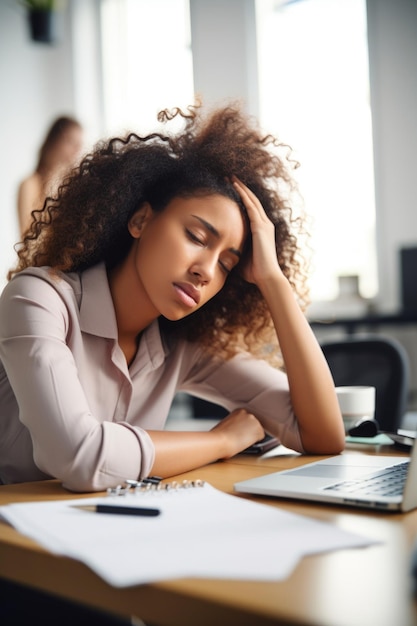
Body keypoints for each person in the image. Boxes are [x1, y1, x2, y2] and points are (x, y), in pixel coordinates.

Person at [0, 103, 345, 493]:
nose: (207, 271)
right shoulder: (38, 300)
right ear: (140, 220)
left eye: (227, 265)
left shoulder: (179, 345)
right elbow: (78, 456)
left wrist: (274, 282)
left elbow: (323, 435)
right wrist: (222, 441)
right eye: (197, 237)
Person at [17, 115, 84, 237]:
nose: (76, 151)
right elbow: (28, 236)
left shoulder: (73, 186)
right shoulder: (29, 183)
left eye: (79, 145)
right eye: (70, 141)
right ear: (53, 142)